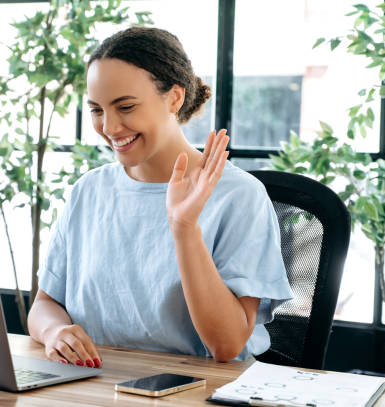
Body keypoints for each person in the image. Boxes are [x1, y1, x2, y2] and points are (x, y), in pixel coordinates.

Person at [27, 27, 293, 369]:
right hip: (94, 382)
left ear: (174, 98)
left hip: (189, 389)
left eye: (125, 106)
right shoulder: (88, 190)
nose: (109, 127)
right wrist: (55, 332)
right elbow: (44, 304)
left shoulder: (238, 196)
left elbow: (226, 345)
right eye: (96, 110)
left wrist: (184, 228)